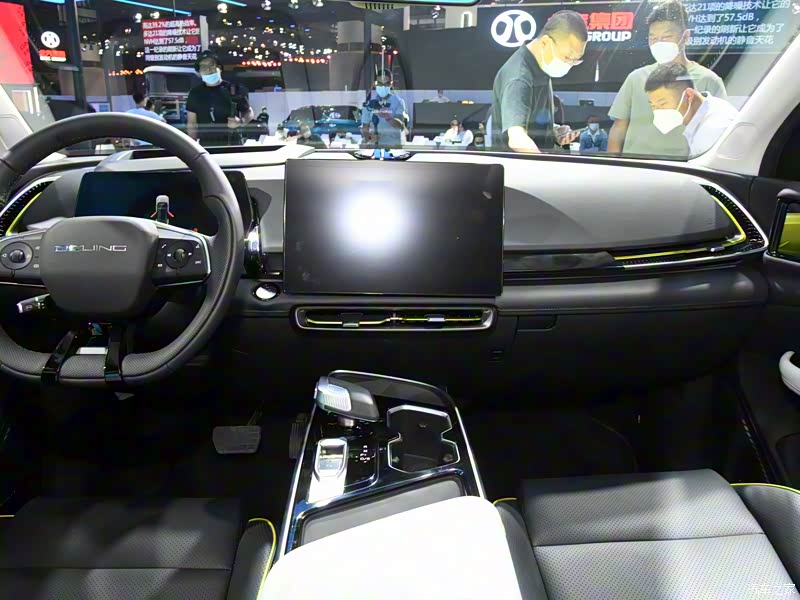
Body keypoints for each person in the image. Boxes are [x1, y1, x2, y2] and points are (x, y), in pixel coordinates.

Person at [607, 0, 727, 157]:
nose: (658, 43)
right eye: (653, 38)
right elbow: (619, 127)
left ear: (685, 37)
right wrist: (613, 164)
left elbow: (721, 133)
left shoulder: (709, 80)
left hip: (682, 168)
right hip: (636, 165)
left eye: (666, 37)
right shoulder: (636, 78)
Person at [491, 11, 588, 152]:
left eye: (576, 60)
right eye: (567, 58)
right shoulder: (519, 78)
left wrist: (553, 131)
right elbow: (517, 138)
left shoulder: (540, 67)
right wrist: (542, 162)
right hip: (519, 163)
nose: (569, 64)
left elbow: (530, 120)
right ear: (545, 42)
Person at [645, 63, 738, 156]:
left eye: (662, 104)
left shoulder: (713, 130)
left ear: (689, 96)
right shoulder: (708, 112)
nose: (657, 112)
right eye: (653, 106)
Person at [186, 50, 254, 146]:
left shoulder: (234, 89)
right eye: (203, 67)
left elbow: (249, 112)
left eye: (211, 65)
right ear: (199, 72)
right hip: (207, 146)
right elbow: (192, 124)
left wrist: (241, 122)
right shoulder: (195, 93)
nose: (208, 70)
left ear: (220, 68)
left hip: (233, 144)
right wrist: (192, 147)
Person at [360, 70, 408, 148]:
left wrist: (388, 117)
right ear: (375, 84)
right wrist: (369, 137)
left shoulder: (398, 101)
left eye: (386, 84)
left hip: (393, 146)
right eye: (379, 83)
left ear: (391, 84)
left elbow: (400, 125)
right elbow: (365, 127)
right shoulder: (370, 103)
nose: (382, 87)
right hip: (375, 147)